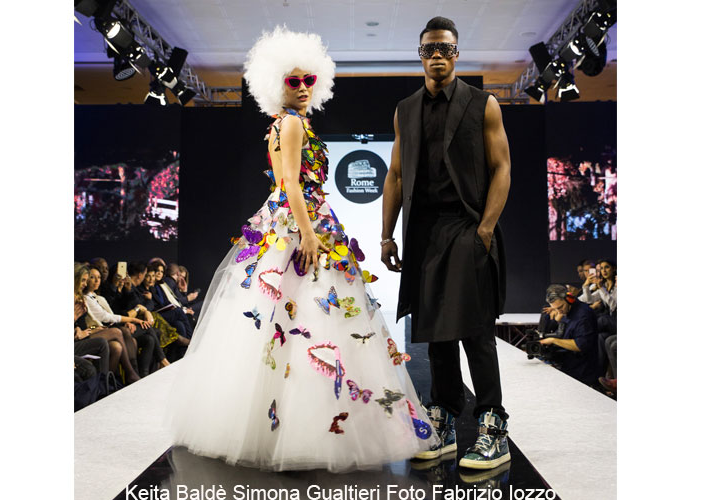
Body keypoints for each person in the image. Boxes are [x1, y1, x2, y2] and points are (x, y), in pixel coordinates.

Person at [165, 26, 439, 472]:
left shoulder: (288, 123)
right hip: (300, 224)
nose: (304, 87)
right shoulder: (290, 123)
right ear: (277, 85)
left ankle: (287, 426)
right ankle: (307, 429)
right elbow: (290, 182)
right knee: (309, 316)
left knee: (290, 319)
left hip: (293, 222)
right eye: (294, 81)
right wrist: (309, 234)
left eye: (309, 79)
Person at [380, 17, 511, 470]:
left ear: (457, 54)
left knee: (476, 330)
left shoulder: (483, 103)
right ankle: (445, 418)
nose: (437, 55)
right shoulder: (405, 109)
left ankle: (493, 426)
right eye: (430, 49)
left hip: (467, 225)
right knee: (434, 332)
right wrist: (386, 235)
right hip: (424, 231)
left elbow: (502, 168)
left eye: (446, 48)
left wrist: (485, 229)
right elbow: (395, 175)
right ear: (420, 55)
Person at [83, 266, 170, 377]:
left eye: (99, 277)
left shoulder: (99, 297)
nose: (97, 280)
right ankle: (155, 365)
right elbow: (108, 316)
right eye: (92, 277)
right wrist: (133, 318)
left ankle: (144, 374)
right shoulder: (101, 293)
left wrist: (128, 291)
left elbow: (129, 307)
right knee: (145, 329)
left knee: (150, 338)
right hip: (103, 329)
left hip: (116, 325)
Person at [539, 284, 601, 386]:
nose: (559, 311)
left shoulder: (583, 315)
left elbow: (580, 345)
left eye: (560, 307)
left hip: (582, 372)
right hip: (569, 364)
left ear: (569, 299)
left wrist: (553, 340)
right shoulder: (567, 311)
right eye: (555, 309)